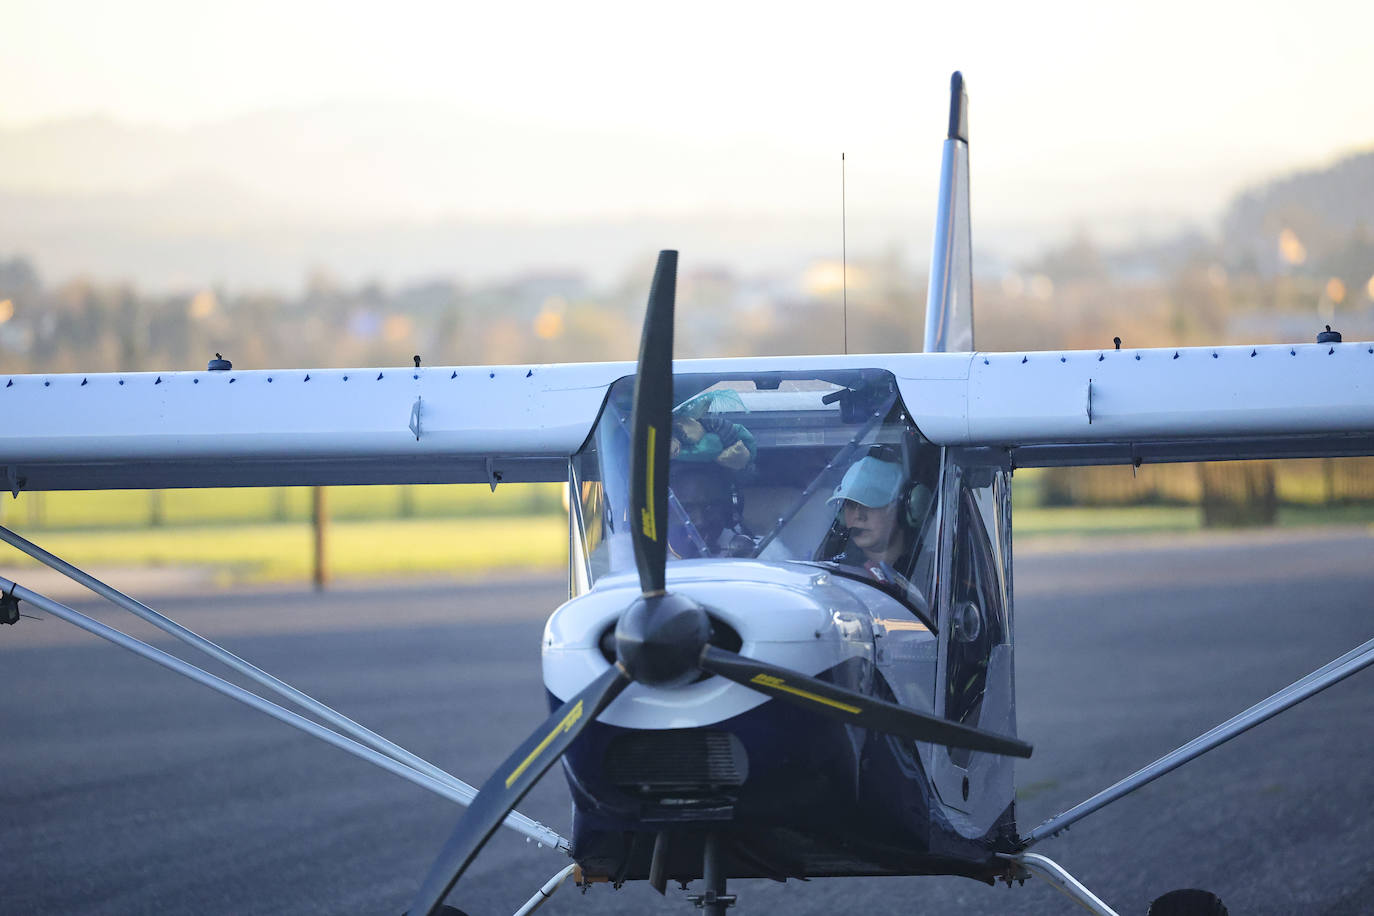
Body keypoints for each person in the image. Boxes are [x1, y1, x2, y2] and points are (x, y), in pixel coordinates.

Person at [825, 456, 921, 577]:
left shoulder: (931, 569)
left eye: (870, 504)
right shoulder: (835, 572)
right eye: (850, 504)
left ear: (904, 508)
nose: (858, 515)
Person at [670, 463, 754, 558]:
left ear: (729, 508)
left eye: (710, 507)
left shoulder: (758, 557)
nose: (701, 521)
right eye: (687, 509)